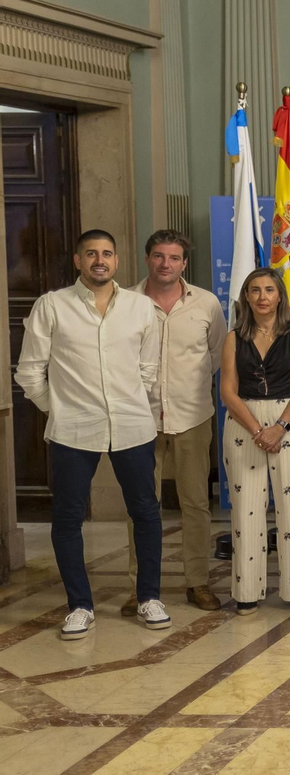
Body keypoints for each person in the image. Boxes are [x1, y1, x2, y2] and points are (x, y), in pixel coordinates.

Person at [15, 230, 167, 638]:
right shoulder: (52, 306)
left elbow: (148, 370)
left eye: (107, 253)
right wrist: (58, 407)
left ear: (116, 260)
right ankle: (79, 605)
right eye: (91, 254)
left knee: (146, 513)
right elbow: (29, 372)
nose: (100, 260)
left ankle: (149, 597)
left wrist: (132, 399)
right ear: (78, 261)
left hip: (133, 426)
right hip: (72, 430)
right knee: (67, 519)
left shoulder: (140, 308)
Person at [123, 230, 226, 616]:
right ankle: (140, 587)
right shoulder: (126, 303)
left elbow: (216, 356)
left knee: (196, 504)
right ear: (147, 258)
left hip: (192, 416)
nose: (166, 264)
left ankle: (196, 581)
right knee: (141, 506)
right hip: (139, 418)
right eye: (158, 256)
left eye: (174, 258)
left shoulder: (206, 304)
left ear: (185, 263)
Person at [217, 268, 290, 615]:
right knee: (246, 510)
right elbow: (227, 391)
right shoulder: (233, 338)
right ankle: (247, 590)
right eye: (254, 290)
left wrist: (280, 427)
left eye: (269, 290)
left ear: (279, 296)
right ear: (246, 297)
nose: (262, 297)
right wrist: (258, 429)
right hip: (244, 423)